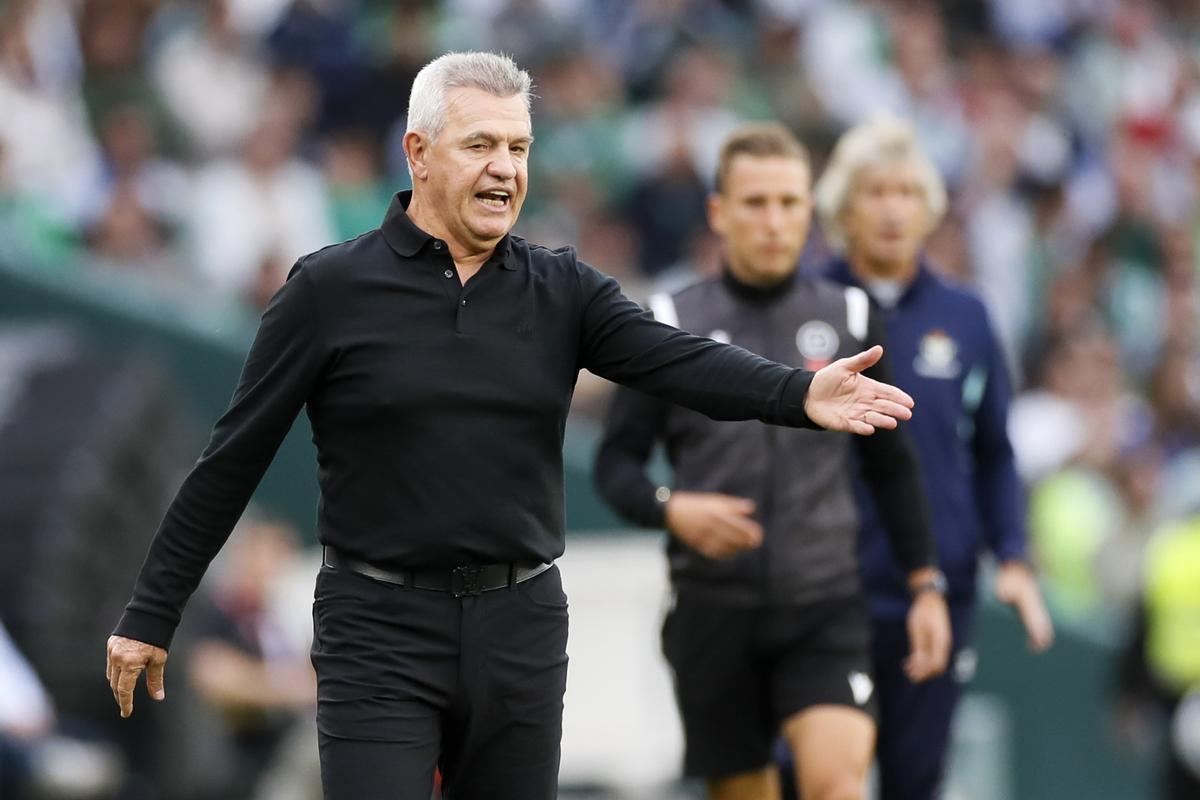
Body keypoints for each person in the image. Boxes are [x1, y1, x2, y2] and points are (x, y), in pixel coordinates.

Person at [104, 52, 917, 800]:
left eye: (520, 148)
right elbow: (232, 459)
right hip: (376, 628)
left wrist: (797, 395)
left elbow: (679, 360)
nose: (505, 168)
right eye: (481, 144)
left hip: (520, 626)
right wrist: (152, 610)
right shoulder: (329, 290)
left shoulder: (562, 289)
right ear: (418, 153)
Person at [593, 123, 952, 800]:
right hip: (712, 609)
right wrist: (673, 509)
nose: (773, 222)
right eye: (755, 203)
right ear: (718, 213)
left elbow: (893, 466)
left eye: (789, 203)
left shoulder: (849, 314)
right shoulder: (666, 320)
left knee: (837, 786)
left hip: (824, 605)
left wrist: (925, 584)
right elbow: (616, 467)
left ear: (810, 212)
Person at [815, 117, 1055, 800]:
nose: (892, 209)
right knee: (823, 777)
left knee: (917, 780)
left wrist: (1010, 553)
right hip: (825, 592)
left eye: (906, 192)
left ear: (929, 209)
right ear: (844, 209)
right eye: (875, 192)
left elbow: (994, 451)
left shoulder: (969, 314)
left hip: (937, 595)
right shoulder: (807, 306)